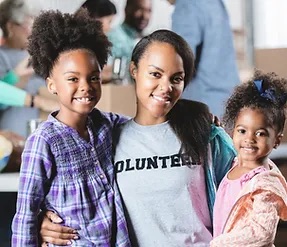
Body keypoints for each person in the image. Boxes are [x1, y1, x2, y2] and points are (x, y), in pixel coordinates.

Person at [39, 29, 237, 246]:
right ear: (133, 69)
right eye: (155, 74)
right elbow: (79, 196)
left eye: (176, 78)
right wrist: (45, 219)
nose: (166, 87)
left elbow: (247, 191)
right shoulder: (107, 139)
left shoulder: (204, 133)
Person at [11, 9, 131, 246]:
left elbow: (147, 126)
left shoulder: (108, 124)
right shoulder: (43, 142)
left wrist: (194, 117)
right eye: (73, 79)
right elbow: (25, 215)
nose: (85, 86)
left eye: (93, 77)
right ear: (52, 85)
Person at [210, 70, 287, 246]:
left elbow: (261, 233)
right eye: (242, 131)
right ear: (233, 131)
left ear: (276, 140)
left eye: (260, 133)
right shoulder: (235, 163)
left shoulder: (265, 186)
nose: (249, 139)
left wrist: (218, 244)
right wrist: (215, 130)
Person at [168, 0, 240, 118]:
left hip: (202, 105)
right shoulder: (215, 3)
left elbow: (180, 62)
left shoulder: (187, 5)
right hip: (229, 103)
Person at [0, 0, 58, 137]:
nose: (31, 31)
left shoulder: (42, 53)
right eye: (27, 24)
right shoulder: (2, 56)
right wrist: (14, 78)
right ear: (11, 27)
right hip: (16, 135)